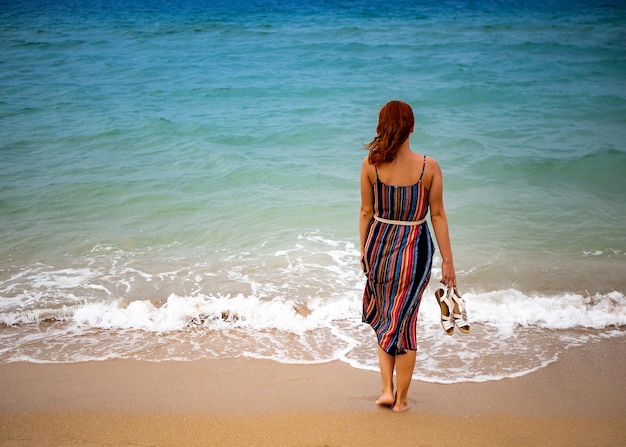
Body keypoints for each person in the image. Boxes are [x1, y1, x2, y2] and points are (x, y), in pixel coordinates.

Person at [359, 100, 457, 412]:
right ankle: (400, 400)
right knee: (406, 320)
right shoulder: (429, 167)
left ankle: (386, 389)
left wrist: (363, 250)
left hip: (379, 247)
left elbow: (366, 212)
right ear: (412, 127)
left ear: (381, 126)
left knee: (387, 314)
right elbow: (438, 216)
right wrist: (448, 262)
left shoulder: (370, 165)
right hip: (416, 250)